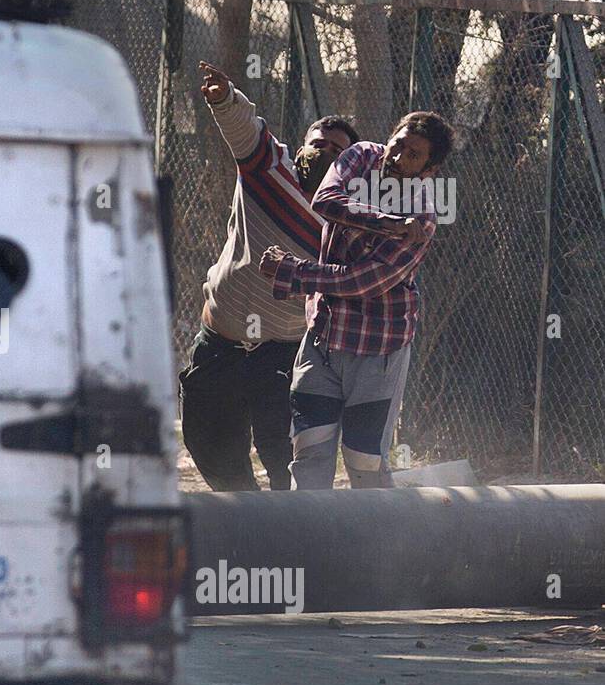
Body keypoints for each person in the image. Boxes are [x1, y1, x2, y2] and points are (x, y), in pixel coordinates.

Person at [180, 60, 371, 491]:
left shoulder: (350, 219)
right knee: (210, 446)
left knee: (284, 462)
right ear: (300, 148)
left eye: (338, 150)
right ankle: (246, 526)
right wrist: (225, 98)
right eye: (317, 143)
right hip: (220, 342)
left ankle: (288, 541)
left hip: (282, 354)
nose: (325, 152)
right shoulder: (269, 168)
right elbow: (246, 128)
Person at [259, 111, 454, 489]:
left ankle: (378, 548)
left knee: (364, 463)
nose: (397, 158)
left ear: (428, 170)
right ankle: (311, 545)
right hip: (321, 341)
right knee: (309, 456)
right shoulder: (361, 156)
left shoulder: (423, 215)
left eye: (413, 155)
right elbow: (325, 201)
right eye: (398, 144)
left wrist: (294, 271)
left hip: (377, 351)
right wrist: (388, 222)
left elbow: (364, 283)